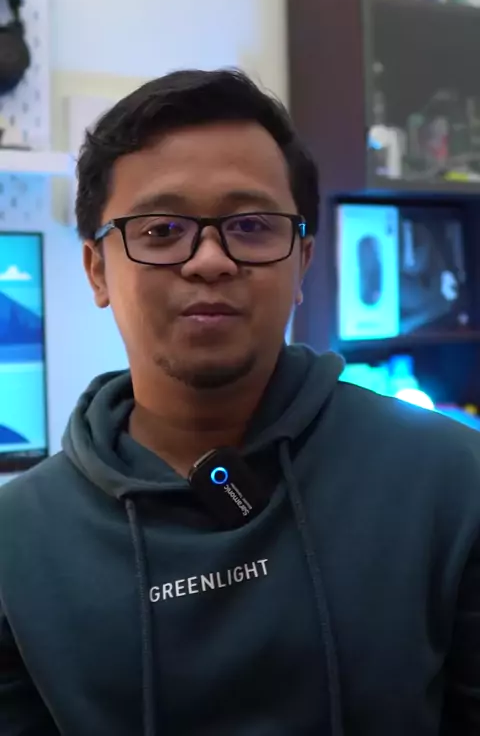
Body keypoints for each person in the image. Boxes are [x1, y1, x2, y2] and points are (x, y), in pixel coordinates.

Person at [0, 69, 479, 736]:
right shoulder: (17, 542)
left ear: (302, 261)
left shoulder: (452, 483)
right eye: (162, 229)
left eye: (251, 225)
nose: (209, 260)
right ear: (97, 270)